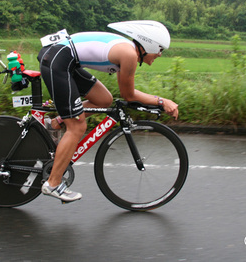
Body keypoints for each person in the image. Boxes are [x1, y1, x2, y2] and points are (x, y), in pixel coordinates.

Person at [37, 20, 179, 203]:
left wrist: (158, 102)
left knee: (104, 99)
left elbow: (127, 94)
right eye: (160, 49)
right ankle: (53, 184)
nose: (159, 54)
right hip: (59, 59)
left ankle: (55, 123)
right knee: (77, 127)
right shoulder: (129, 54)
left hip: (64, 58)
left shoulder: (128, 51)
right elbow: (129, 95)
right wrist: (161, 101)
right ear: (148, 43)